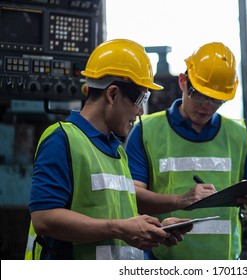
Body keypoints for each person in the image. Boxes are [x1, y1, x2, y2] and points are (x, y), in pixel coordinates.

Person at [24, 39, 191, 260]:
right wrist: (121, 228)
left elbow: (118, 223)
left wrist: (155, 230)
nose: (141, 111)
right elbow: (44, 218)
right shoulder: (61, 139)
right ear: (112, 94)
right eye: (140, 99)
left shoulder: (117, 150)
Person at [125, 42, 247, 260]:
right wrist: (180, 199)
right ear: (183, 82)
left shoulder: (240, 135)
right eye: (200, 95)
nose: (207, 106)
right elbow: (131, 197)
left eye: (216, 99)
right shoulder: (146, 131)